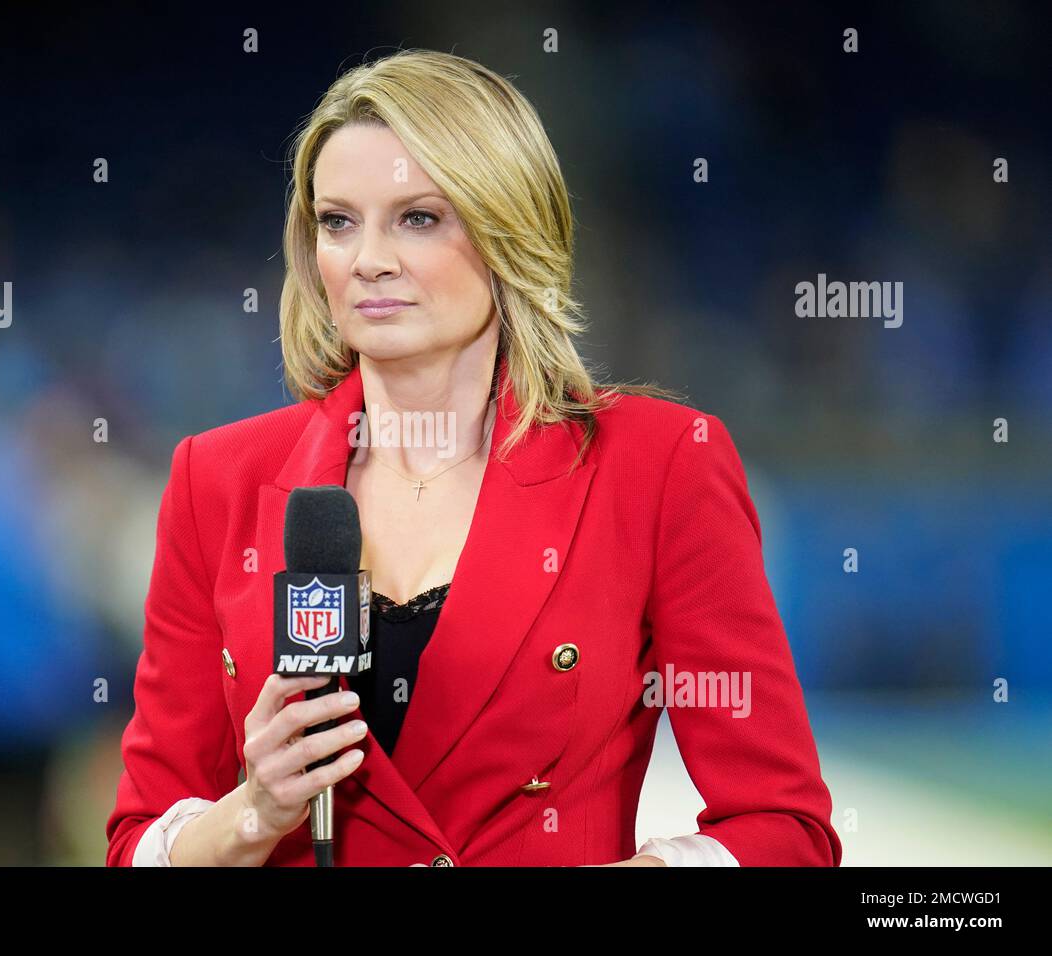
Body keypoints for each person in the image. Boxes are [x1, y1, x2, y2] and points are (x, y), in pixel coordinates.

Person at [106, 49, 841, 867]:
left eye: (418, 217)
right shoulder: (217, 479)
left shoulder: (658, 464)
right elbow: (139, 838)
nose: (368, 259)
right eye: (337, 221)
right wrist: (254, 812)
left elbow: (784, 831)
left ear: (506, 227)